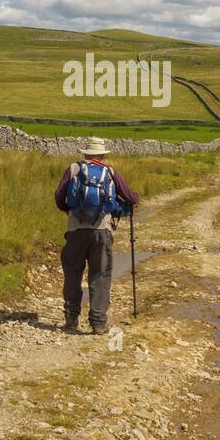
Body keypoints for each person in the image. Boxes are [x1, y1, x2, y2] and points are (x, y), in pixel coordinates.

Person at [54, 137, 139, 335]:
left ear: (85, 153)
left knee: (73, 273)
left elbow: (58, 197)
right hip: (102, 231)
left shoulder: (73, 169)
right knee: (100, 275)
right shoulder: (109, 172)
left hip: (75, 230)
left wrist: (70, 211)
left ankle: (71, 318)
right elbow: (131, 197)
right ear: (101, 154)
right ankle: (98, 323)